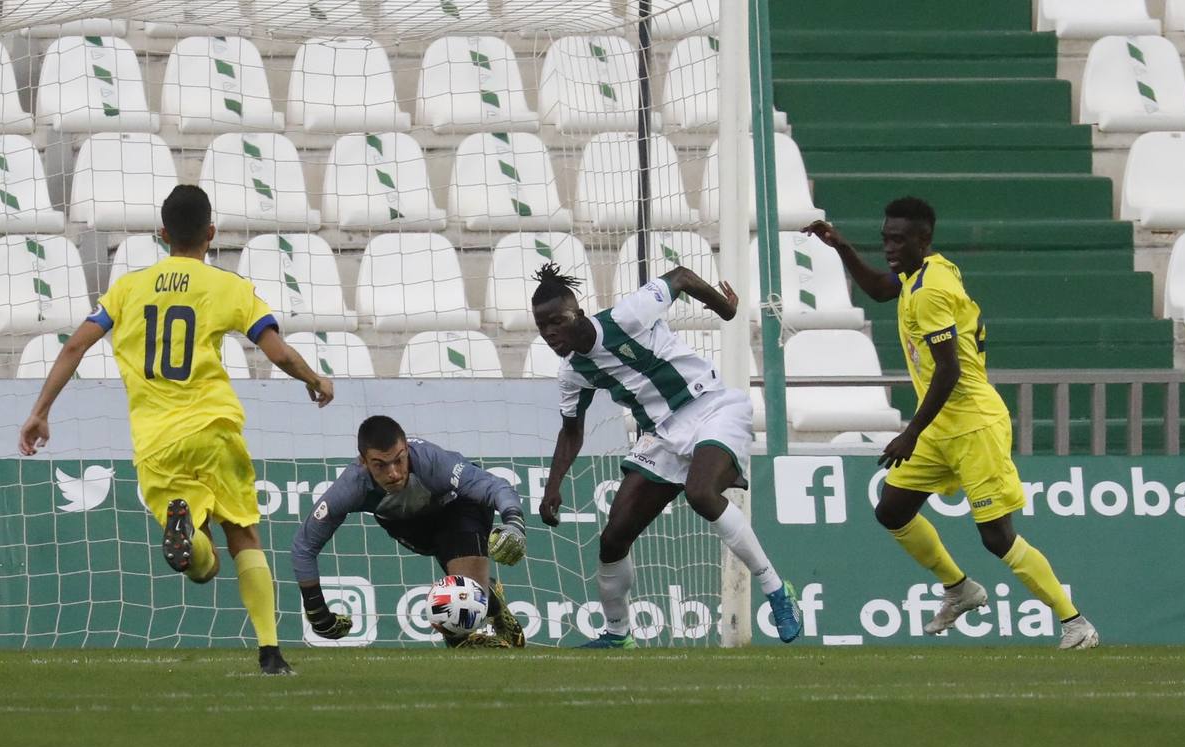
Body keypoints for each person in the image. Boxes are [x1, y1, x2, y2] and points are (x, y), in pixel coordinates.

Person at [18, 185, 335, 674]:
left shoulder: (126, 289)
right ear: (211, 232)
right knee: (244, 535)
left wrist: (41, 411)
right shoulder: (230, 287)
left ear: (163, 234)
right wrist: (314, 380)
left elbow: (74, 348)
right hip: (213, 429)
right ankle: (270, 652)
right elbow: (277, 353)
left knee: (200, 569)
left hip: (155, 443)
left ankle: (188, 532)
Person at [803, 198, 1099, 649]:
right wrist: (842, 247)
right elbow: (883, 290)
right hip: (942, 425)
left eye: (899, 239)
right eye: (886, 238)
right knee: (892, 510)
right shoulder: (927, 271)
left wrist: (910, 432)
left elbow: (949, 371)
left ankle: (1075, 623)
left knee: (997, 538)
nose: (890, 247)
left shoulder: (931, 292)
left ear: (924, 239)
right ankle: (959, 588)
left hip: (973, 426)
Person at [532, 263, 801, 649]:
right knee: (613, 538)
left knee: (701, 494)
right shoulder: (572, 373)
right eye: (542, 327)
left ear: (578, 312)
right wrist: (553, 486)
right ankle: (618, 633)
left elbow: (681, 276)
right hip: (661, 436)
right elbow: (571, 429)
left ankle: (776, 589)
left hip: (710, 407)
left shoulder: (627, 316)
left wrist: (724, 309)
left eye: (557, 321)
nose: (550, 333)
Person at [295, 415, 529, 649]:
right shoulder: (351, 486)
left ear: (406, 449)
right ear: (363, 462)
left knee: (460, 600)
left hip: (458, 508)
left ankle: (464, 635)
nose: (394, 472)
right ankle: (490, 599)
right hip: (408, 524)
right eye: (380, 465)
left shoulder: (433, 462)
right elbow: (304, 546)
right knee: (466, 596)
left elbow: (495, 486)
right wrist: (317, 612)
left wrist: (514, 522)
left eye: (399, 460)